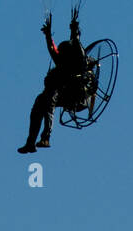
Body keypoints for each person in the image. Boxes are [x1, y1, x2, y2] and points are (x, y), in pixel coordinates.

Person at [17, 8, 89, 153]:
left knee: (49, 101)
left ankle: (46, 138)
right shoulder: (61, 61)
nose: (60, 54)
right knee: (38, 104)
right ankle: (30, 142)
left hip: (70, 93)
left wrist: (75, 31)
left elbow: (77, 46)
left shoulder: (77, 63)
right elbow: (52, 48)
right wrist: (48, 35)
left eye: (64, 52)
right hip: (57, 92)